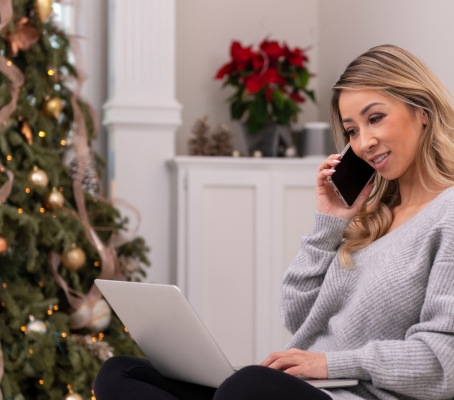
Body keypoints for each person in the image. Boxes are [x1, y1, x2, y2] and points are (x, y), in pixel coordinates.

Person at [93, 44, 454, 400]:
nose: (364, 143)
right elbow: (298, 318)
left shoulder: (447, 214)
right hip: (307, 387)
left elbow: (443, 360)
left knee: (248, 387)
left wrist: (332, 364)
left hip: (352, 394)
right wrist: (327, 224)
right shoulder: (373, 217)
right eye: (352, 131)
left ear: (422, 111)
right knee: (121, 373)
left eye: (374, 118)